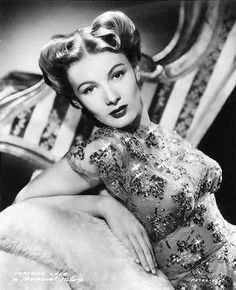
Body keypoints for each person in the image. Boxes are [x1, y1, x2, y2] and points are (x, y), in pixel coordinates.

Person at [15, 10, 236, 289]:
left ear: (135, 69)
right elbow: (24, 202)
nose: (110, 97)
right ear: (79, 102)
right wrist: (102, 205)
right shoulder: (103, 150)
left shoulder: (160, 133)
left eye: (116, 74)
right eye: (89, 89)